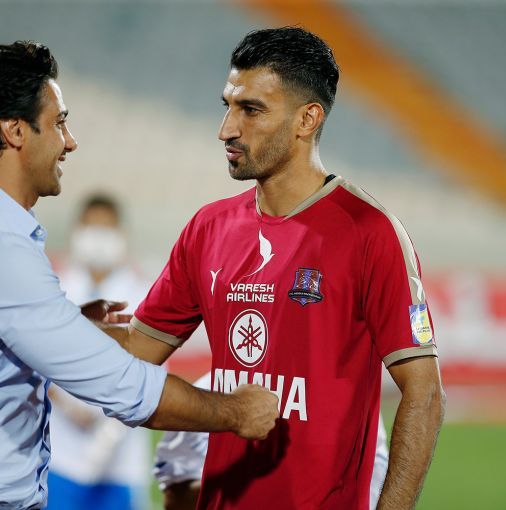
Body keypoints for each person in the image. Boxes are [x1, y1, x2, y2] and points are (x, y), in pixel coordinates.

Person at [0, 41, 279, 510]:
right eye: (58, 123)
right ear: (14, 131)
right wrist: (235, 412)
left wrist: (64, 323)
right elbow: (120, 386)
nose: (69, 142)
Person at [114, 28, 445, 509]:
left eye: (251, 110)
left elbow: (424, 392)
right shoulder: (208, 229)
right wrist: (45, 326)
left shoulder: (368, 232)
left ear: (307, 118)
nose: (227, 129)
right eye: (228, 106)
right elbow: (131, 359)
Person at [46, 194, 152, 510]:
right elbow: (35, 358)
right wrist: (67, 403)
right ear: (76, 232)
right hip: (59, 457)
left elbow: (150, 371)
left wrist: (105, 420)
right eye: (91, 228)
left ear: (122, 235)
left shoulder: (144, 295)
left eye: (106, 229)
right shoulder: (54, 289)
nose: (98, 238)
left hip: (120, 464)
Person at [153, 373, 390, 510]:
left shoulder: (348, 397)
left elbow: (374, 481)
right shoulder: (209, 392)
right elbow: (175, 498)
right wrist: (251, 487)